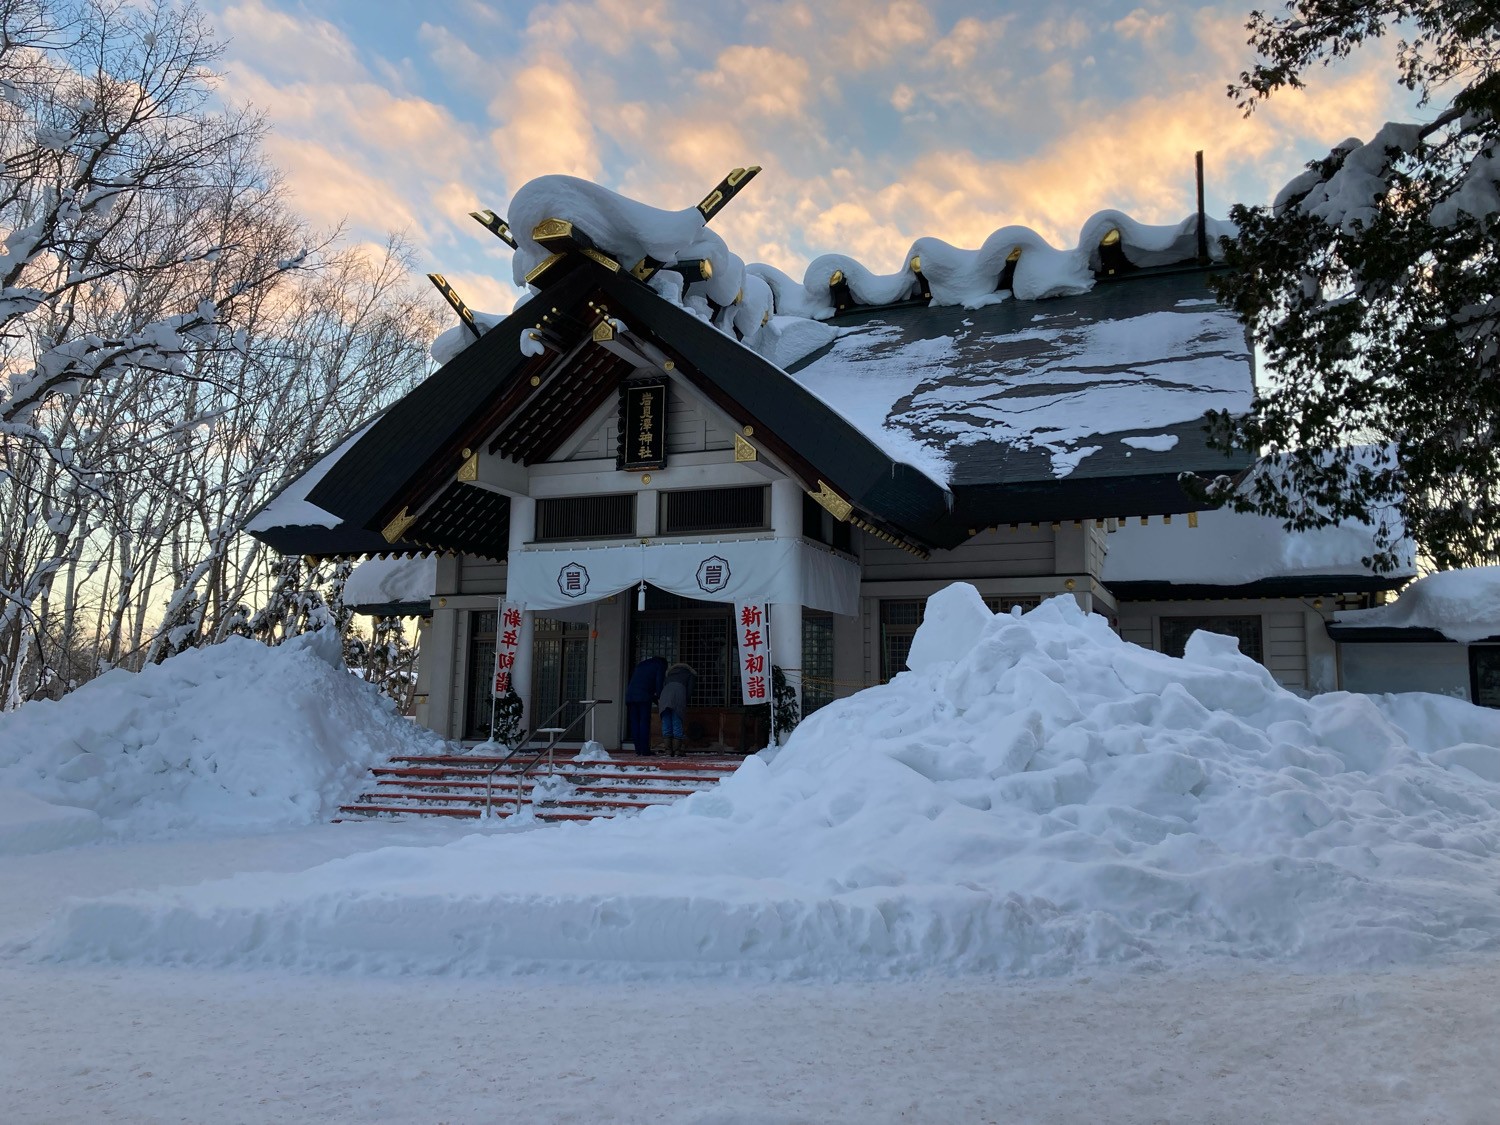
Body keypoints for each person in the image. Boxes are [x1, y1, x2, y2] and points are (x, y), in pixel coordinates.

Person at [624, 655, 667, 757]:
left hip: (630, 696)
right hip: (643, 698)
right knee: (644, 722)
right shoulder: (660, 665)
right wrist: (661, 699)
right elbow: (658, 684)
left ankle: (638, 750)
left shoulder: (642, 664)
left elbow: (641, 683)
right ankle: (645, 750)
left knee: (634, 723)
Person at [658, 661, 696, 757]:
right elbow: (690, 690)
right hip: (679, 696)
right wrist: (685, 700)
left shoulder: (669, 675)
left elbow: (662, 686)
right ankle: (677, 751)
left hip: (665, 696)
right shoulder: (689, 674)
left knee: (666, 722)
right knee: (676, 722)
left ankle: (668, 751)